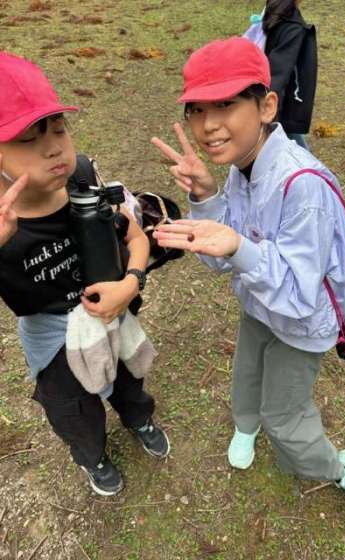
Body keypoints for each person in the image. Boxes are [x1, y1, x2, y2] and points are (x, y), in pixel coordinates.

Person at [151, 37, 345, 497]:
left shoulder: (303, 187)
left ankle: (334, 466)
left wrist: (239, 248)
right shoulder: (241, 166)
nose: (208, 125)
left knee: (285, 418)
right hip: (258, 306)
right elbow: (222, 254)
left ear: (267, 106)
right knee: (247, 372)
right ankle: (245, 425)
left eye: (226, 104)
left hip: (302, 323)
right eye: (196, 109)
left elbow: (298, 295)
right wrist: (206, 196)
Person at [0, 52, 169, 497]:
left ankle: (139, 419)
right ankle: (93, 456)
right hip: (52, 336)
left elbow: (135, 237)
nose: (53, 148)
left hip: (112, 311)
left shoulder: (82, 177)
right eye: (28, 139)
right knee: (73, 407)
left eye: (58, 129)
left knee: (128, 378)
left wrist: (130, 283)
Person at [244, 0, 317, 150]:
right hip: (276, 106)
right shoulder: (292, 26)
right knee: (295, 150)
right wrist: (267, 113)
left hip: (261, 97)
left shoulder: (273, 11)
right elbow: (277, 74)